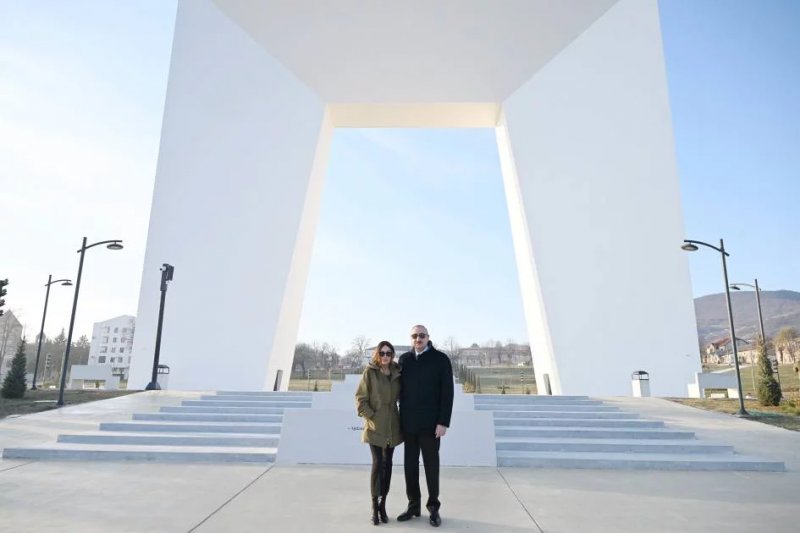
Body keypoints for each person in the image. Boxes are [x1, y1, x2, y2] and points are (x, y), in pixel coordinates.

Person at [396, 324, 453, 528]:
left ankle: (433, 508)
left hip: (431, 426)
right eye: (414, 336)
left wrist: (443, 422)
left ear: (428, 337)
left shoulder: (440, 359)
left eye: (421, 335)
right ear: (410, 338)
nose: (418, 339)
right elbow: (398, 389)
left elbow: (447, 393)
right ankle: (413, 506)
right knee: (410, 468)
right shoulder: (404, 360)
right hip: (409, 425)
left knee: (431, 468)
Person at [355, 340, 402, 526]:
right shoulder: (370, 372)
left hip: (392, 427)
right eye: (382, 353)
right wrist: (371, 417)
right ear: (377, 354)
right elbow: (360, 399)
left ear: (392, 355)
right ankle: (374, 507)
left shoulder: (397, 372)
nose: (385, 356)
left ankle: (383, 506)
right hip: (375, 427)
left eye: (388, 353)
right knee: (378, 463)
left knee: (388, 465)